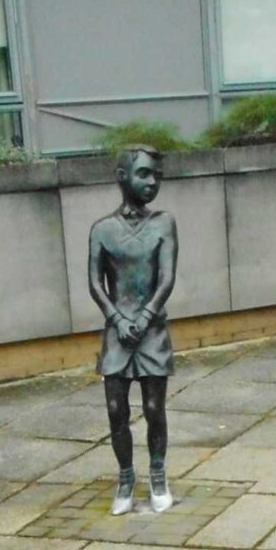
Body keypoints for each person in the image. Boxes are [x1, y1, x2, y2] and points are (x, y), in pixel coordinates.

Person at [87, 145, 178, 514]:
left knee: (155, 408)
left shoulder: (165, 223)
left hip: (151, 330)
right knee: (115, 409)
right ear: (122, 177)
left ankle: (158, 472)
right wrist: (119, 320)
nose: (152, 182)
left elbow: (167, 277)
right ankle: (126, 476)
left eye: (156, 175)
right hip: (117, 332)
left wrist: (144, 317)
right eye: (144, 174)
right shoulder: (102, 230)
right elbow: (94, 283)